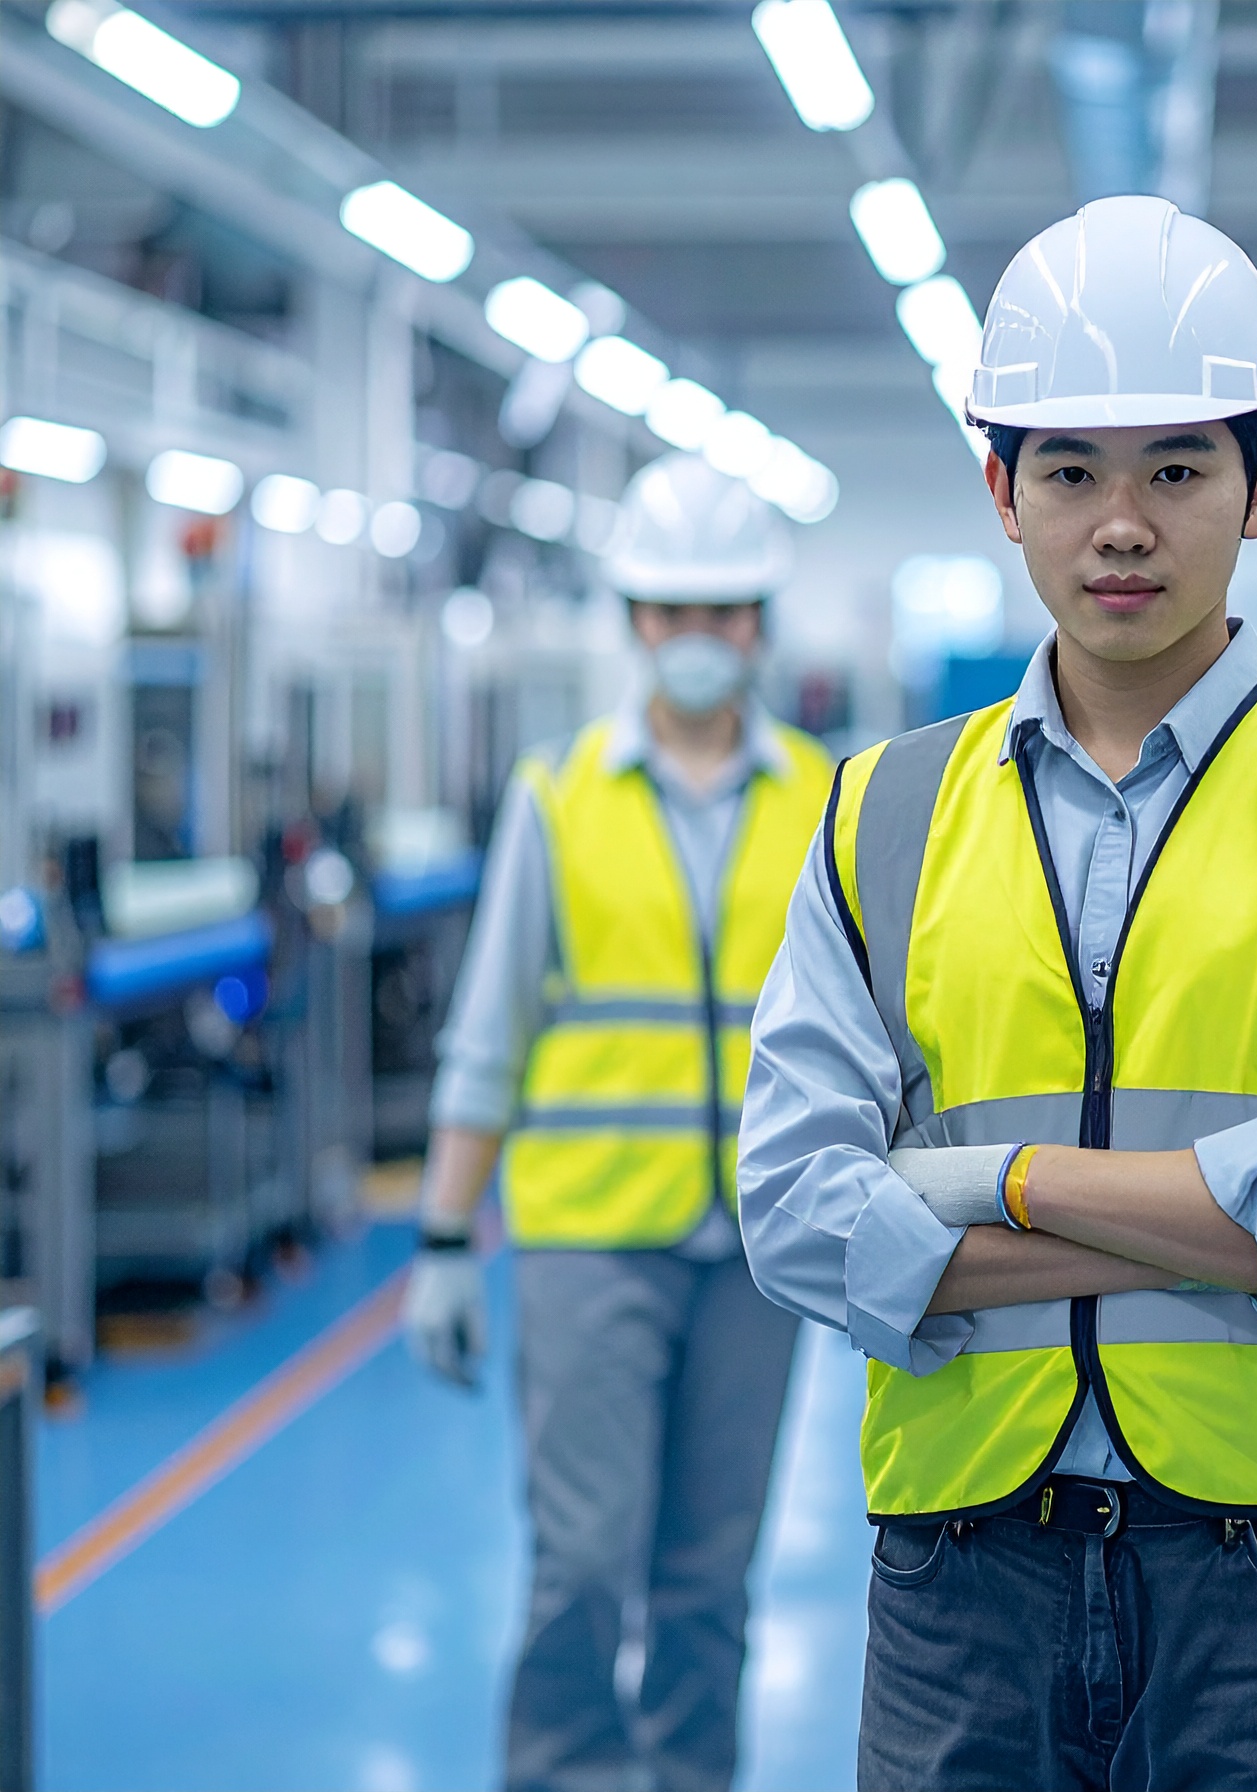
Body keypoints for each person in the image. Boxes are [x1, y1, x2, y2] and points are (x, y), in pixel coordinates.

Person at [738, 195, 1257, 1791]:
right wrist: (1246, 1207)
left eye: (1178, 468)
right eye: (1073, 472)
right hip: (962, 1570)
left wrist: (980, 1178)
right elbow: (795, 1211)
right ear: (1002, 493)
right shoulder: (881, 811)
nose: (1124, 523)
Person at [400, 452, 833, 1792]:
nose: (697, 638)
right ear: (633, 621)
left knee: (712, 1578)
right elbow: (490, 1035)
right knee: (584, 1565)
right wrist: (439, 1241)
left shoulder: (828, 802)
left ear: (757, 620)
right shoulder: (560, 797)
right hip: (592, 1242)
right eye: (670, 610)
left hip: (761, 1251)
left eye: (721, 611)